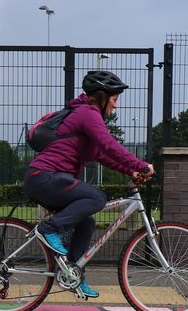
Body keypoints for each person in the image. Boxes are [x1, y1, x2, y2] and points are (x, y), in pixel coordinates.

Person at [23, 70, 155, 299]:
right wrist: (141, 164)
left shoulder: (84, 115)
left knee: (87, 222)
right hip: (45, 176)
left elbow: (101, 155)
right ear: (102, 96)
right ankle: (49, 228)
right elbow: (109, 145)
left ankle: (74, 274)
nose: (115, 106)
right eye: (114, 100)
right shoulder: (87, 113)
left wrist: (131, 170)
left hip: (48, 178)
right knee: (96, 198)